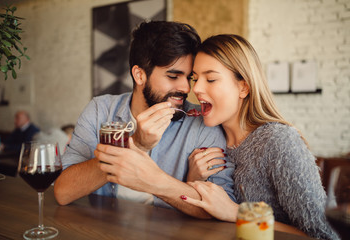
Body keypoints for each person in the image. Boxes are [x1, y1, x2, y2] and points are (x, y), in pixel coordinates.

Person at [54, 21, 230, 218]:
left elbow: (221, 209)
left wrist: (156, 182)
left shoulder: (201, 122)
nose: (186, 89)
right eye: (173, 76)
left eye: (189, 78)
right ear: (139, 75)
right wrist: (136, 145)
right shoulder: (100, 110)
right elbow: (63, 192)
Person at [178, 34, 339, 240]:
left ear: (243, 87)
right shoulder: (207, 137)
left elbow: (324, 235)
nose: (197, 88)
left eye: (210, 79)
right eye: (195, 78)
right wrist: (192, 179)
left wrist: (236, 213)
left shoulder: (279, 142)